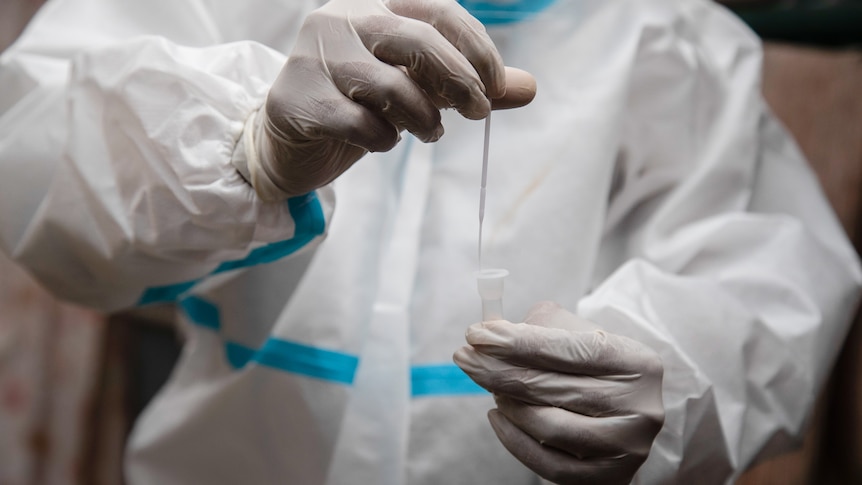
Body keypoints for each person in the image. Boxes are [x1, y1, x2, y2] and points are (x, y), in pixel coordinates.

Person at [0, 0, 859, 483]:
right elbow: (37, 167)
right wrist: (242, 145)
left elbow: (766, 274)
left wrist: (675, 374)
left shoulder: (667, 36)